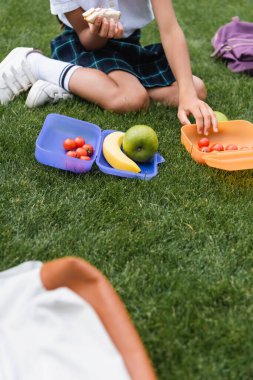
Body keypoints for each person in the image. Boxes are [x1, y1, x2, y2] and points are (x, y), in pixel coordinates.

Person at [0, 0, 218, 136]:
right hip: (83, 45)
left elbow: (170, 30)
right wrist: (97, 31)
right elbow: (88, 41)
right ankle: (34, 63)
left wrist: (188, 96)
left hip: (127, 47)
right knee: (132, 99)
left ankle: (78, 86)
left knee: (195, 88)